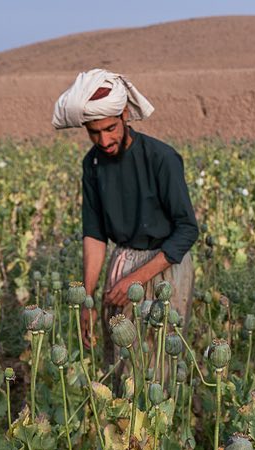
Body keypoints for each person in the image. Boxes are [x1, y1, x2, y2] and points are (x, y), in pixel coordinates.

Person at [52, 68, 199, 359]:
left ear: (124, 116)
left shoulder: (162, 158)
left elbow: (187, 230)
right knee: (120, 362)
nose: (104, 141)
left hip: (165, 268)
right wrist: (87, 298)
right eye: (94, 133)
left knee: (159, 364)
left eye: (110, 129)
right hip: (122, 263)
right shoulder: (92, 164)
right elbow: (94, 234)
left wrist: (137, 279)